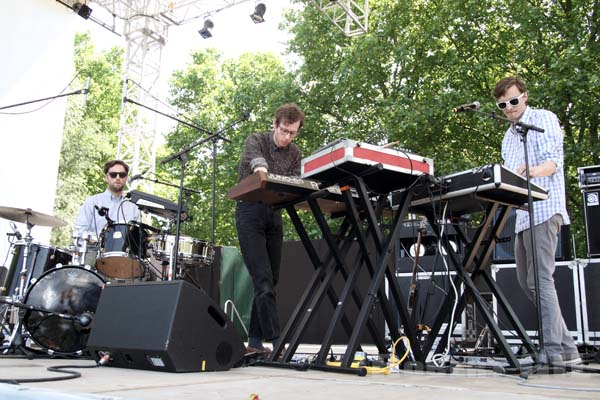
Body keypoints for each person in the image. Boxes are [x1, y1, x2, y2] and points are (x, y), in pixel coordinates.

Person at [493, 76, 580, 366]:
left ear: (525, 97)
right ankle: (569, 349)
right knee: (526, 281)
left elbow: (554, 163)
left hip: (545, 208)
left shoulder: (544, 119)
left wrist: (531, 170)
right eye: (503, 105)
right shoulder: (508, 137)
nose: (509, 107)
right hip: (521, 217)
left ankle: (552, 351)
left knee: (541, 280)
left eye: (513, 101)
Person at [235, 103, 305, 353]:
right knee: (262, 280)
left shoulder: (295, 152)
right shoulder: (256, 140)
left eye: (292, 133)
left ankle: (254, 341)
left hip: (274, 215)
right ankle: (277, 342)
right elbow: (259, 166)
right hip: (250, 211)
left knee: (270, 280)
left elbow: (295, 182)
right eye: (284, 130)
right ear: (274, 124)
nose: (287, 137)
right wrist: (268, 176)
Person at [75, 159, 140, 242]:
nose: (117, 178)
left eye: (122, 175)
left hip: (124, 253)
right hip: (94, 251)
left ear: (126, 178)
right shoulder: (92, 202)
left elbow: (137, 237)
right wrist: (98, 239)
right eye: (113, 175)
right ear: (106, 178)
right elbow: (79, 231)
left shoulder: (133, 207)